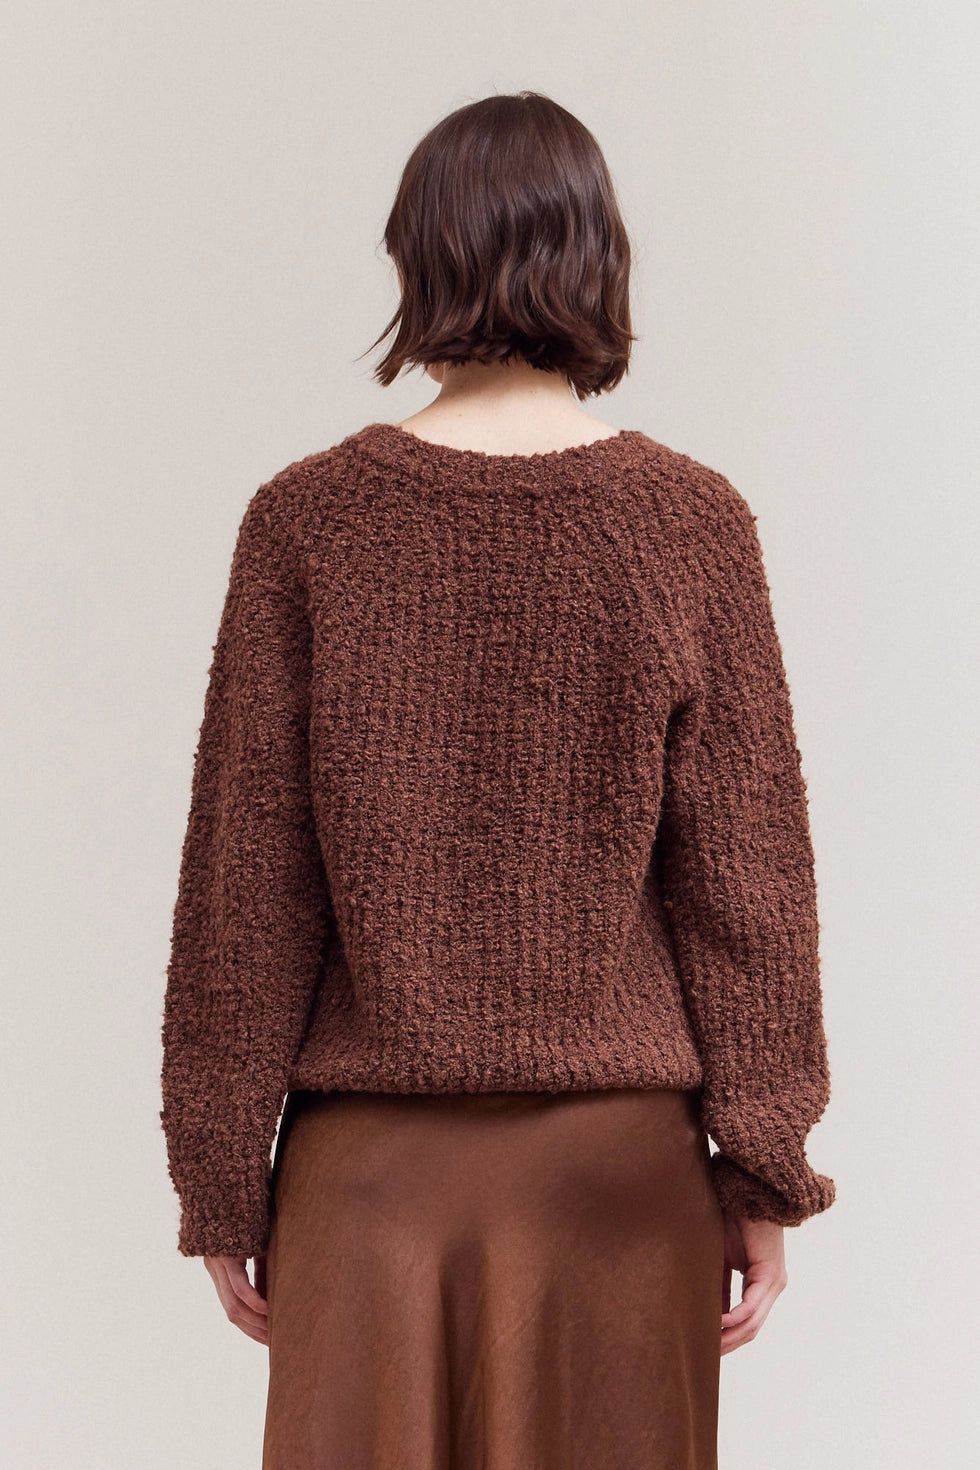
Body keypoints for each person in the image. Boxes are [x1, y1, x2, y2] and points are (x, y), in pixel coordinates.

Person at [159, 90, 836, 1469]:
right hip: (620, 1182)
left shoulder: (307, 522)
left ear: (418, 255)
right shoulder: (689, 523)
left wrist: (222, 1170)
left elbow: (248, 886)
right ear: (598, 256)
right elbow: (746, 888)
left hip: (369, 1185)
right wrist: (764, 1167)